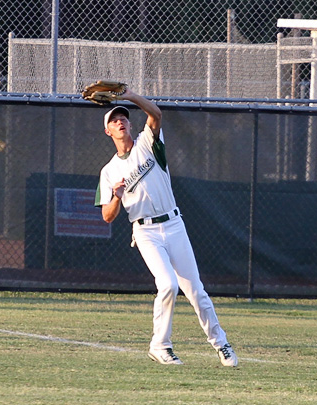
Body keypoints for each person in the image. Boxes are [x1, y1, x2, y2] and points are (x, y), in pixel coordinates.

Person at [94, 86, 238, 367]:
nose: (120, 121)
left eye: (123, 117)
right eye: (113, 120)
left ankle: (221, 344)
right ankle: (160, 346)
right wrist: (116, 196)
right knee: (168, 285)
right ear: (108, 131)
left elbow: (156, 114)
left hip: (173, 225)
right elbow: (108, 217)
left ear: (130, 123)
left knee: (196, 291)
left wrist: (129, 96)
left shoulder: (147, 144)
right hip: (145, 232)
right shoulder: (108, 171)